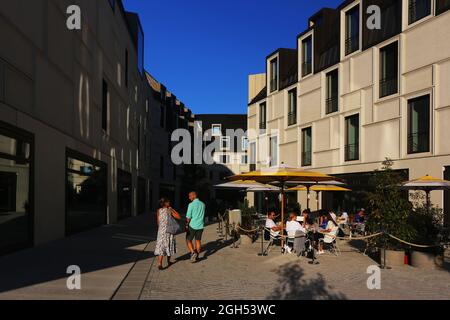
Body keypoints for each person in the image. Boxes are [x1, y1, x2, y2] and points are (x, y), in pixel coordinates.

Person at [154, 198, 181, 270]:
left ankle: (160, 263)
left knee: (161, 247)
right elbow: (179, 217)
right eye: (168, 202)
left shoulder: (158, 211)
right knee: (169, 245)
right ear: (165, 203)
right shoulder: (169, 210)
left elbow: (158, 222)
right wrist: (172, 210)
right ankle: (168, 261)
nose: (169, 203)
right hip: (168, 231)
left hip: (160, 232)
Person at [185, 191, 206, 263]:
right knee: (198, 241)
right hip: (200, 225)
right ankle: (196, 257)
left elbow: (188, 217)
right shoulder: (203, 204)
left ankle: (193, 253)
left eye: (190, 196)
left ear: (194, 195)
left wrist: (186, 224)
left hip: (192, 225)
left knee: (188, 240)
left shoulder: (191, 204)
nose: (189, 197)